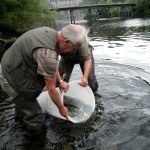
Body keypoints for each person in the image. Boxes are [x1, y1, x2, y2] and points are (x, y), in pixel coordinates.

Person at [0, 24, 98, 136]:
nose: (72, 52)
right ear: (66, 42)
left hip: (11, 64)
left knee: (23, 106)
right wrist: (62, 108)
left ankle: (19, 122)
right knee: (36, 119)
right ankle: (34, 139)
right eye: (73, 49)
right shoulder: (47, 54)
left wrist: (60, 81)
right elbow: (51, 88)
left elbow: (51, 65)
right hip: (9, 76)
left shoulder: (50, 33)